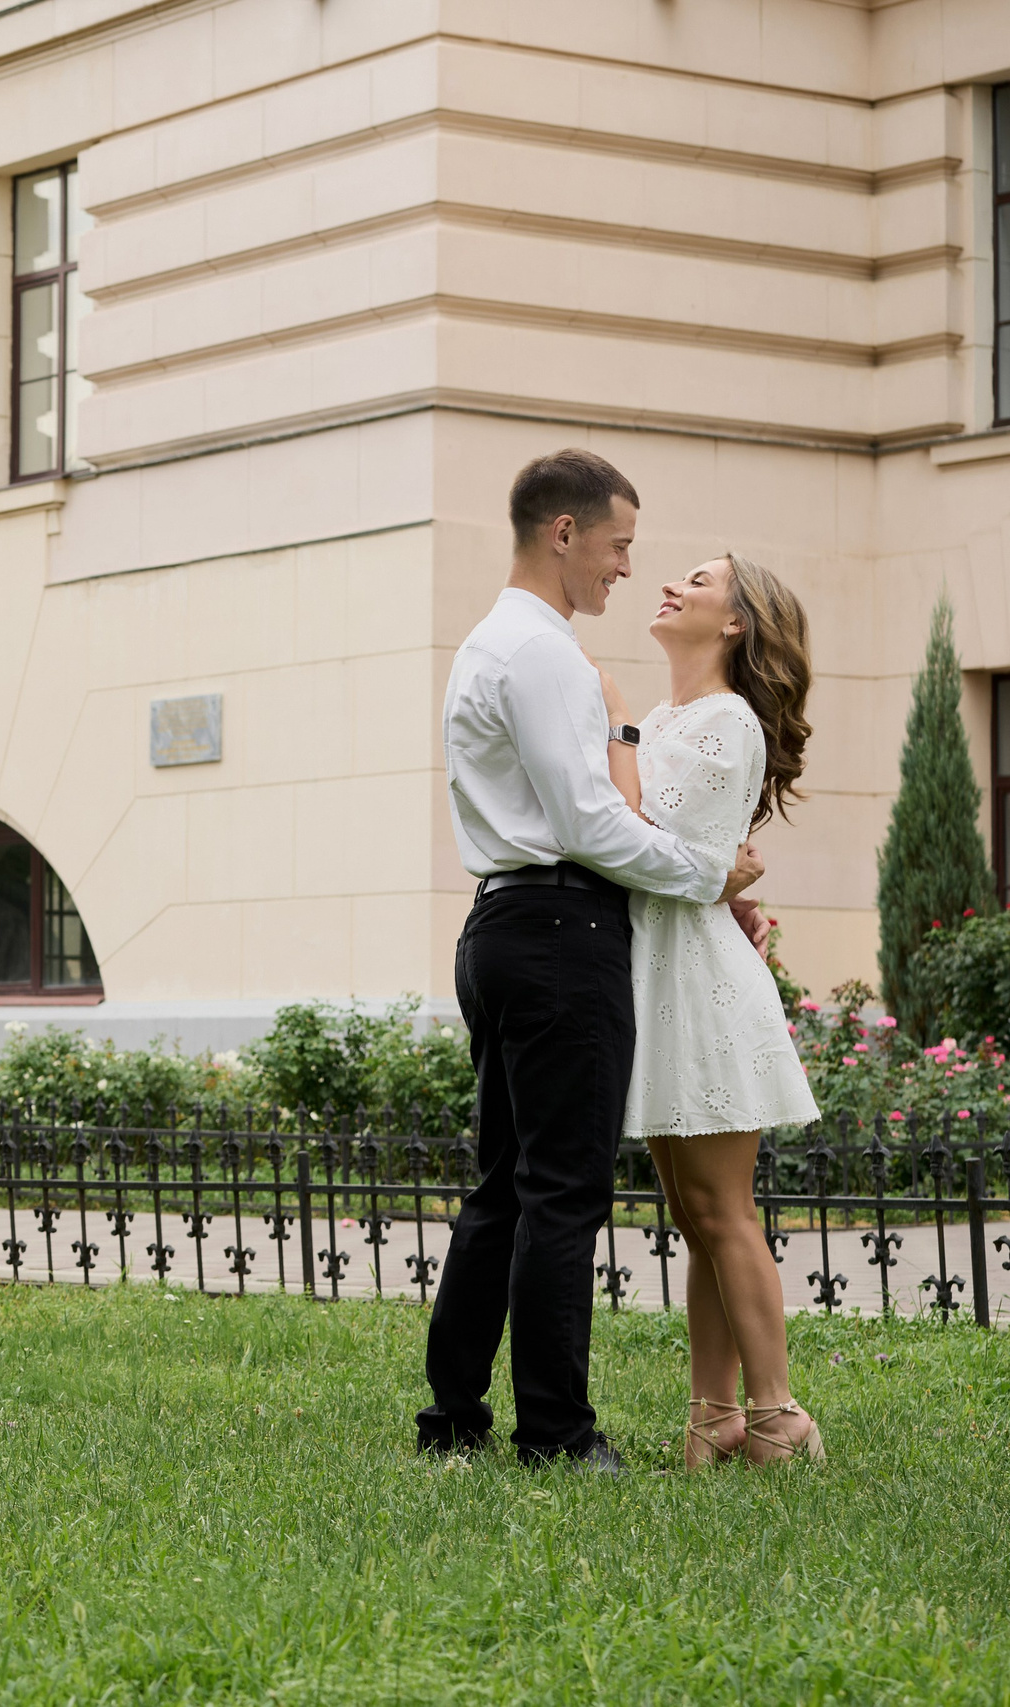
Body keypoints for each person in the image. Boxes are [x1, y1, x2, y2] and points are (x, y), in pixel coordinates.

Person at [419, 448, 766, 1471]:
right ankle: (559, 1436)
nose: (624, 569)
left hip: (504, 927)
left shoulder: (495, 643)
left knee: (502, 1189)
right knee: (561, 1192)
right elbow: (587, 823)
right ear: (562, 532)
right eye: (616, 546)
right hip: (559, 934)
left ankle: (453, 1421)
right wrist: (705, 873)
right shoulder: (540, 655)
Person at [599, 554, 824, 1465]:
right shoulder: (668, 720)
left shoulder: (726, 720)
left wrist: (609, 725)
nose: (672, 584)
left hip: (698, 983)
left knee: (724, 1210)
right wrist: (626, 730)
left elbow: (632, 832)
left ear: (736, 621)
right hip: (661, 975)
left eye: (698, 579)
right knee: (695, 1215)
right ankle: (712, 1414)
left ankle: (777, 1417)